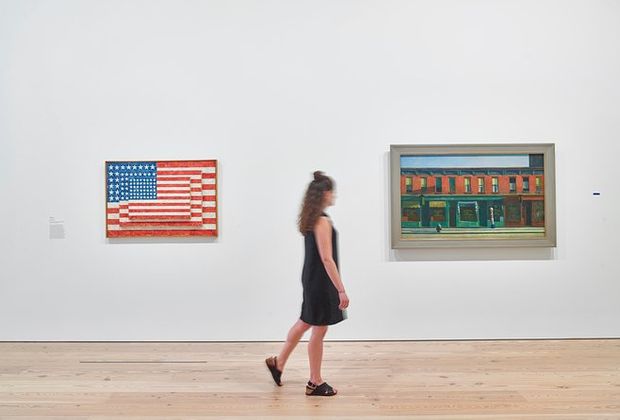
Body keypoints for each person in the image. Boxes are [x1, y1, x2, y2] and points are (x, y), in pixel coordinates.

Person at [265, 171, 349, 397]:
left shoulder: (312, 219)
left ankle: (279, 363)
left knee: (305, 322)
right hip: (321, 282)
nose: (335, 196)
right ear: (324, 194)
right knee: (317, 328)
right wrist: (341, 289)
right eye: (332, 192)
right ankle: (315, 382)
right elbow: (327, 258)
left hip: (313, 279)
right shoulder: (322, 221)